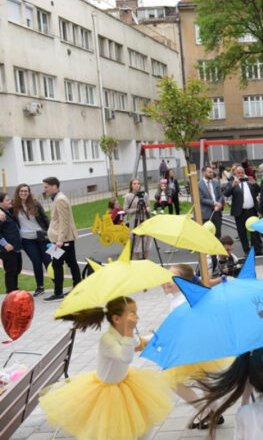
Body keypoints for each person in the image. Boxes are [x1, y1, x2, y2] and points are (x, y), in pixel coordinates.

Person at [39, 296, 173, 439]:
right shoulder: (108, 340)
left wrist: (162, 337)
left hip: (126, 384)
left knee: (145, 422)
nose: (137, 317)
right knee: (115, 429)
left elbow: (138, 345)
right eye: (132, 313)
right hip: (107, 392)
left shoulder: (124, 334)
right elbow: (126, 357)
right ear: (116, 319)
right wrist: (129, 331)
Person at [160, 264, 231, 430]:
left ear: (183, 281)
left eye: (172, 279)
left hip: (186, 346)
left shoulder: (180, 302)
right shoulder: (179, 296)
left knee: (173, 382)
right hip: (197, 344)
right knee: (203, 380)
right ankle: (215, 411)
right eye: (165, 278)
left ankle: (207, 411)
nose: (166, 282)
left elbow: (178, 327)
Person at [42, 176, 81, 301]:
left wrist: (60, 240)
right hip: (63, 239)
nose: (44, 189)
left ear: (55, 187)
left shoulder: (60, 200)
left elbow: (64, 221)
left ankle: (58, 293)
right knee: (71, 262)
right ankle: (78, 288)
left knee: (57, 265)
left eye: (46, 187)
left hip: (63, 240)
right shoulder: (56, 199)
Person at [11, 184, 50, 296]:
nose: (23, 193)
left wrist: (51, 233)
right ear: (18, 193)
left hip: (41, 237)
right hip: (27, 240)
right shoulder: (14, 206)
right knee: (36, 262)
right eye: (21, 191)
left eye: (26, 191)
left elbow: (45, 219)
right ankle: (40, 287)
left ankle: (57, 284)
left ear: (29, 192)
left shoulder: (35, 204)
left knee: (48, 261)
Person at [225, 164, 263, 256]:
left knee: (255, 231)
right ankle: (247, 251)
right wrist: (233, 186)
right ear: (235, 173)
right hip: (240, 212)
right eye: (238, 173)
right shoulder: (231, 182)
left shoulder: (249, 181)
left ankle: (257, 250)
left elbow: (259, 190)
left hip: (252, 210)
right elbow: (226, 193)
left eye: (242, 172)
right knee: (242, 233)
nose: (241, 174)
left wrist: (254, 183)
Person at [124, 178, 152, 260]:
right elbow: (125, 209)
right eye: (134, 183)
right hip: (135, 219)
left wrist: (145, 209)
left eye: (138, 183)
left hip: (145, 218)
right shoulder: (128, 196)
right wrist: (136, 210)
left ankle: (146, 259)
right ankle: (137, 258)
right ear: (131, 185)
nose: (137, 185)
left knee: (147, 238)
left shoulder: (145, 195)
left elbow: (149, 206)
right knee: (136, 238)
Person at [0, 192, 22, 293]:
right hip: (8, 248)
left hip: (16, 246)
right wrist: (5, 244)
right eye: (7, 200)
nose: (10, 201)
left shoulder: (8, 211)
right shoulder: (1, 215)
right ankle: (11, 293)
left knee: (17, 269)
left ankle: (15, 290)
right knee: (11, 271)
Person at [199, 165, 224, 239]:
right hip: (206, 213)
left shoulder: (215, 183)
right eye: (209, 172)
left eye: (212, 172)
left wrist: (219, 204)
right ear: (203, 173)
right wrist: (214, 203)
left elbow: (221, 196)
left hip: (217, 212)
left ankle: (217, 250)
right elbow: (201, 199)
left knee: (218, 234)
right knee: (208, 235)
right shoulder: (199, 185)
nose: (212, 174)